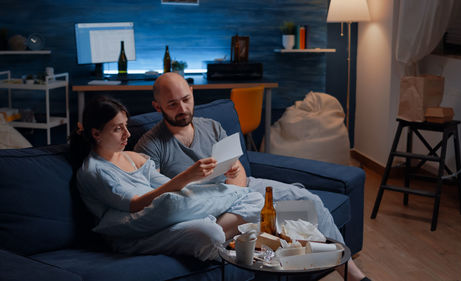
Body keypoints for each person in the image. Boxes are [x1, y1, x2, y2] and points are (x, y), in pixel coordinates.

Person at [134, 73, 371, 281]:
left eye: (186, 99)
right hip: (206, 207)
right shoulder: (150, 146)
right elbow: (152, 199)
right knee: (274, 219)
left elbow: (238, 170)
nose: (183, 109)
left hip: (242, 191)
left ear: (193, 93)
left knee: (310, 202)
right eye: (173, 104)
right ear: (158, 107)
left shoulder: (212, 126)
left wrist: (237, 187)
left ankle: (353, 275)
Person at [69, 96, 264, 261]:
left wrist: (209, 175)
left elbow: (168, 186)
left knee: (254, 198)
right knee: (201, 227)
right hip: (136, 232)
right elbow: (136, 205)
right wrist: (186, 177)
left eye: (126, 126)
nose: (127, 134)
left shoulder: (131, 157)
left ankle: (215, 229)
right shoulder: (93, 171)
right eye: (117, 129)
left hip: (169, 216)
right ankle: (224, 233)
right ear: (96, 134)